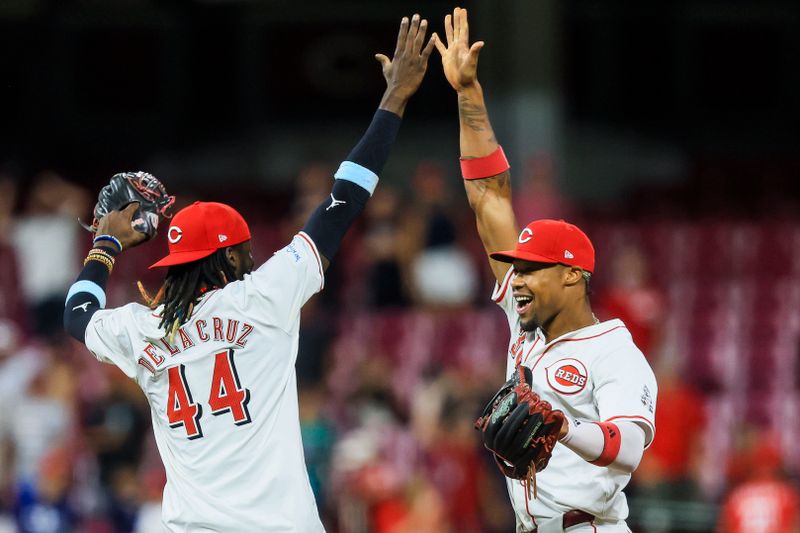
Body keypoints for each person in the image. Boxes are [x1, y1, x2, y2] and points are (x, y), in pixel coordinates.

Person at [63, 15, 436, 532]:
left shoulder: (142, 329)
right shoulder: (263, 298)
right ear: (230, 258)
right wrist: (393, 99)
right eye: (244, 249)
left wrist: (106, 242)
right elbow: (343, 201)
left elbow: (77, 315)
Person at [433, 8, 658, 532]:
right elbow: (488, 197)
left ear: (573, 275)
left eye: (534, 270)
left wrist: (565, 429)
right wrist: (468, 93)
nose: (520, 280)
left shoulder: (616, 353)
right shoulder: (523, 317)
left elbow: (626, 448)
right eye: (520, 268)